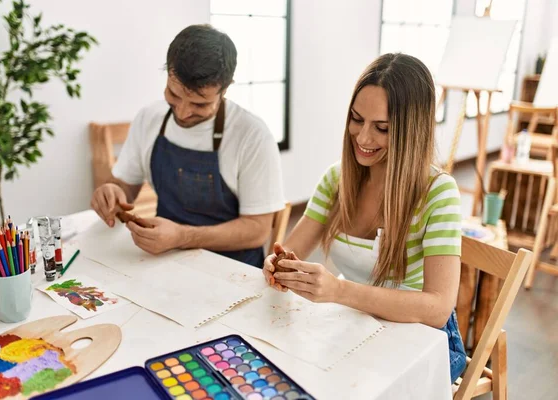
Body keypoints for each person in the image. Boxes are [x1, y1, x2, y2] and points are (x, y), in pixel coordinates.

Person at [263, 53, 467, 382]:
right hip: (354, 319)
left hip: (420, 337)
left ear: (412, 131)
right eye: (357, 119)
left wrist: (339, 292)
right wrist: (278, 265)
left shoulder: (438, 193)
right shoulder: (337, 180)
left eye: (382, 128)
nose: (362, 138)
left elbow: (437, 307)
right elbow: (289, 250)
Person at [91, 25, 285, 268]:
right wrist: (111, 192)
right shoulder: (149, 118)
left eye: (199, 104)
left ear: (225, 90)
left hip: (232, 270)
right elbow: (125, 188)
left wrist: (182, 237)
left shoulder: (253, 135)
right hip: (163, 261)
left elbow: (256, 230)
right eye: (173, 95)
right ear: (168, 73)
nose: (182, 112)